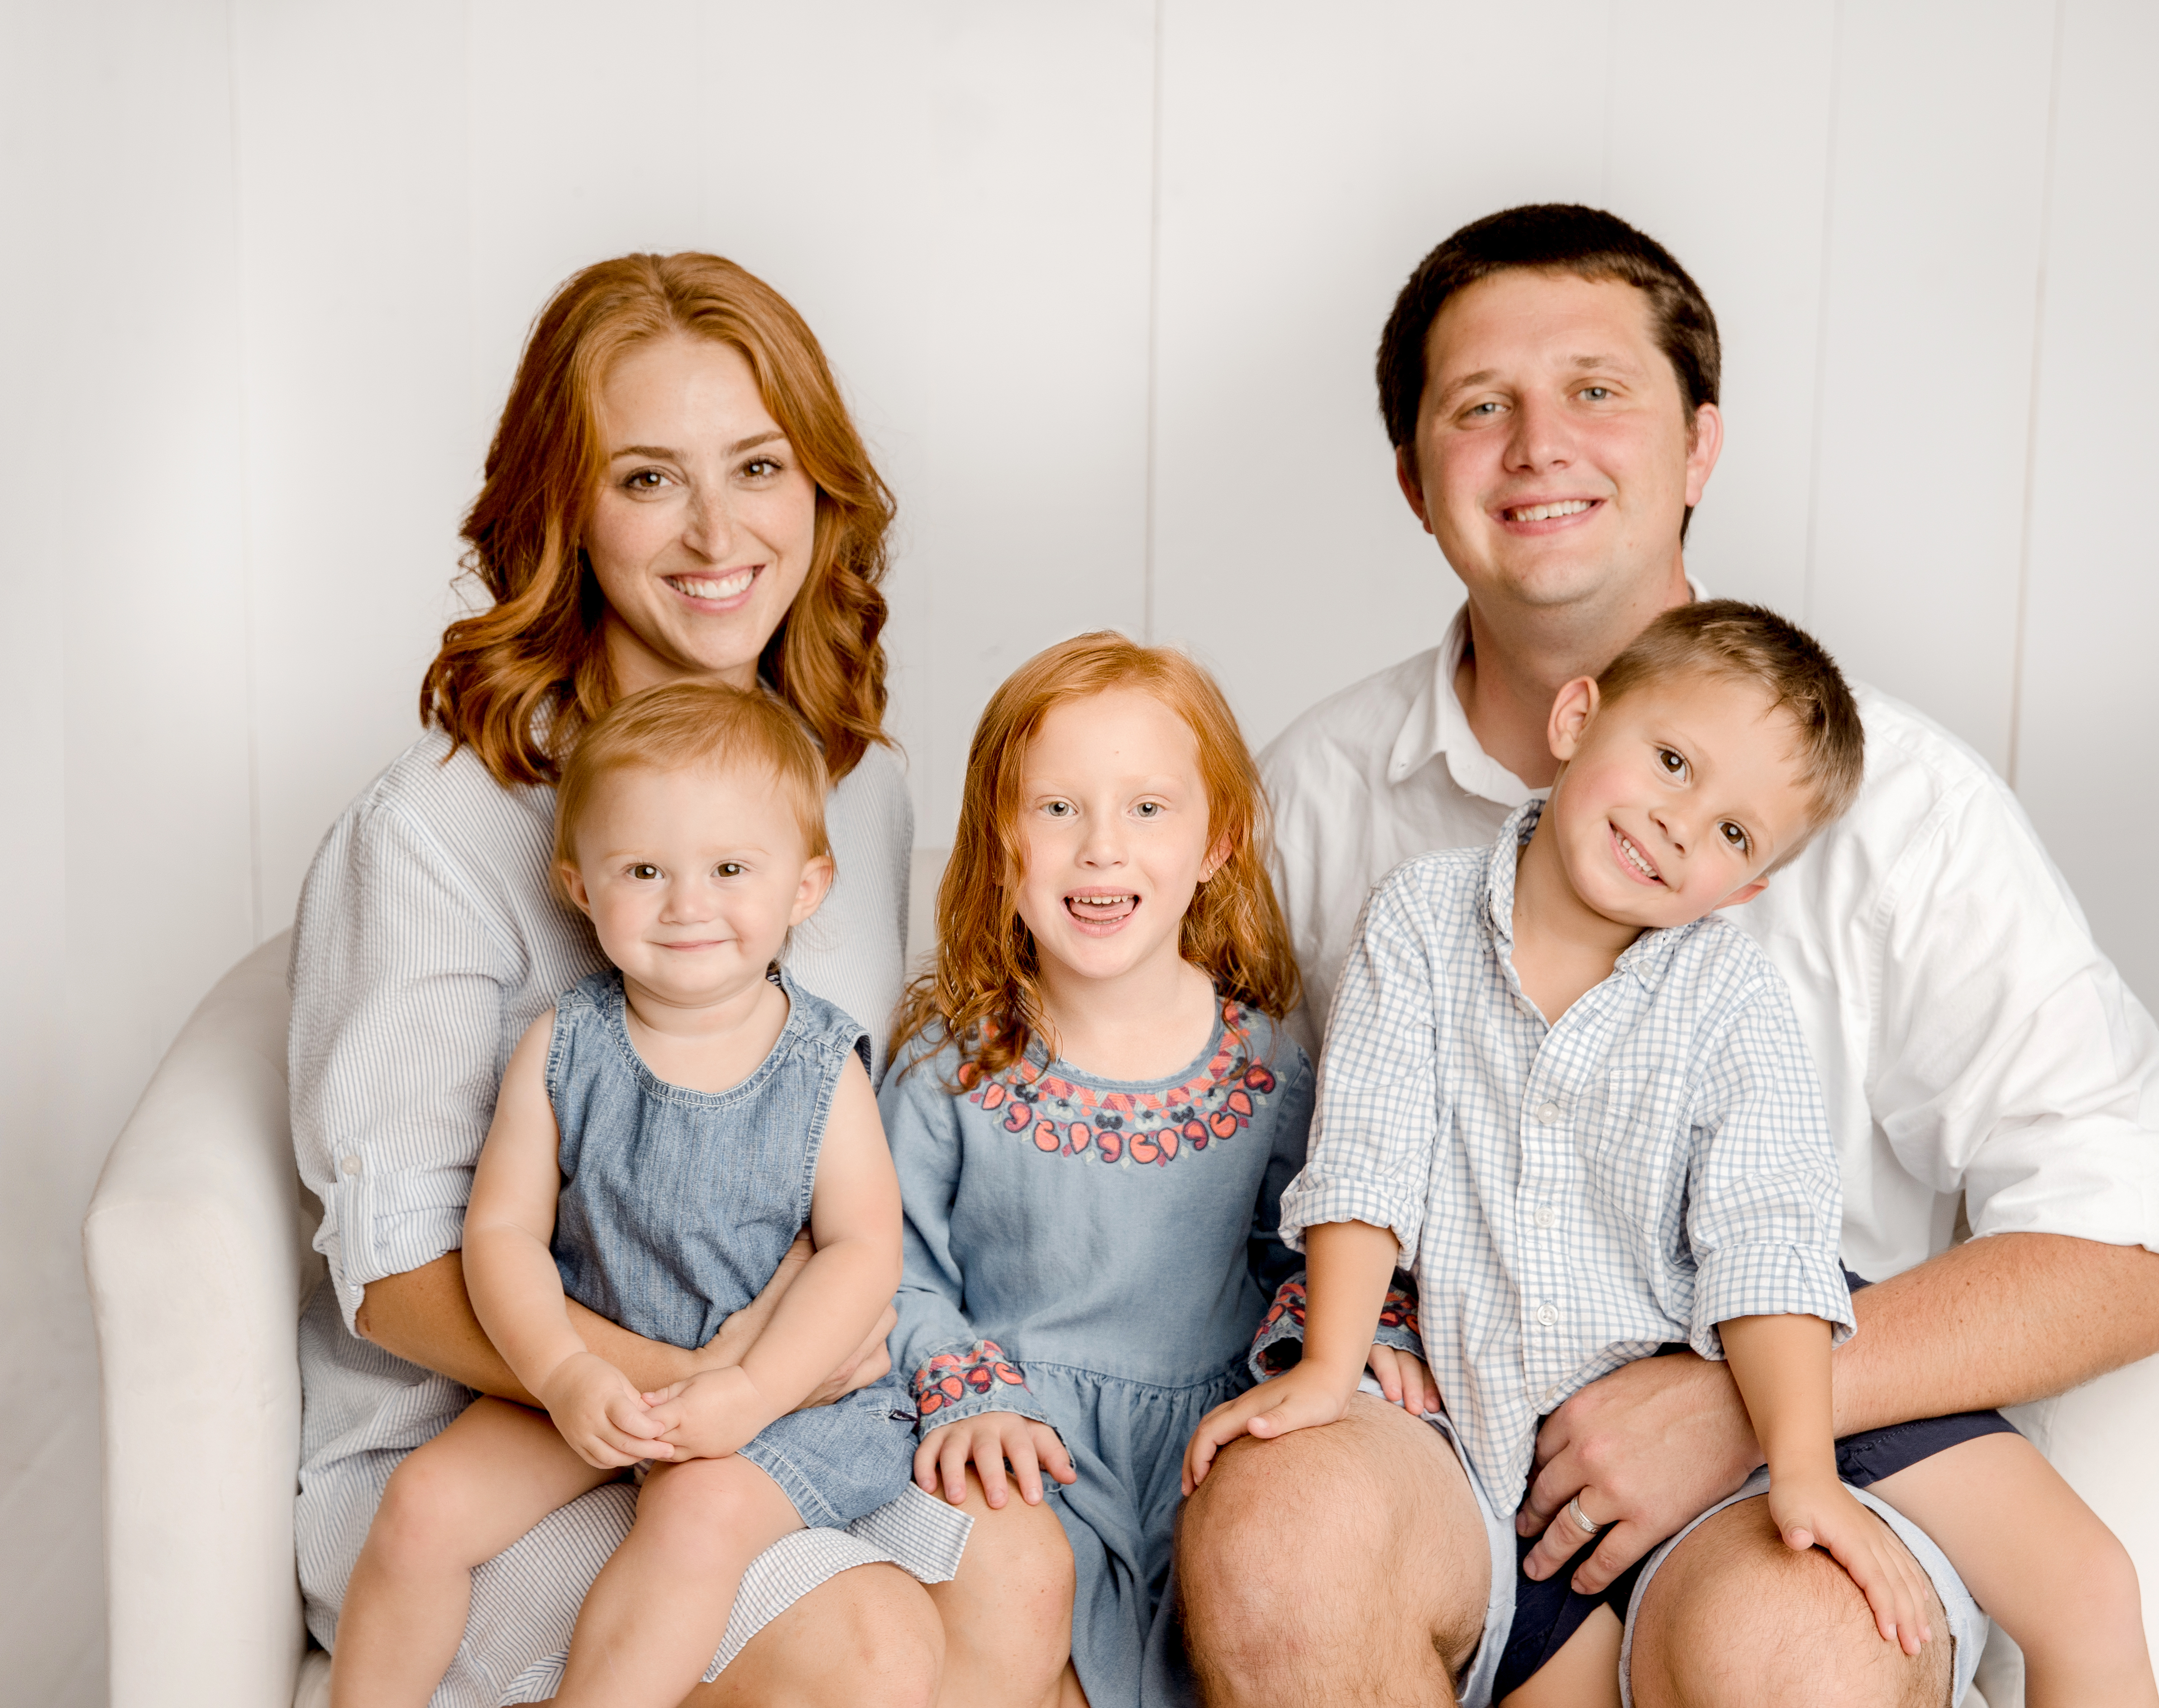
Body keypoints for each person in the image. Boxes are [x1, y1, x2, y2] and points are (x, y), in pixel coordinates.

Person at [1172, 205, 2159, 1708]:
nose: (1538, 444)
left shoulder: (1901, 813)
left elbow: (2128, 1256)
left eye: (1596, 390)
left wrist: (1748, 1402)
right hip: (1441, 1442)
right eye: (1479, 407)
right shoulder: (1320, 807)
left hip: (1784, 1478)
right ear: (1414, 483)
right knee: (1281, 1531)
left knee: (1794, 1640)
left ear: (1698, 446)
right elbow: (1209, 1170)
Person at [289, 252, 1067, 1708]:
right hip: (496, 1423)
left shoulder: (851, 786)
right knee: (870, 1646)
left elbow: (847, 1169)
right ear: (563, 514)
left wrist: (788, 1375)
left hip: (778, 1396)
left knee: (1024, 1563)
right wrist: (685, 1389)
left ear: (819, 490)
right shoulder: (439, 831)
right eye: (646, 479)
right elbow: (394, 1283)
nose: (718, 530)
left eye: (758, 465)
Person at [1187, 602, 2159, 1707]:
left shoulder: (1729, 997)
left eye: (1735, 835)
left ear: (1744, 890)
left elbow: (1765, 1243)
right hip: (1512, 1427)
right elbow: (1366, 1162)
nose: (1680, 827)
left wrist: (1797, 1471)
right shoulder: (1417, 918)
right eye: (1669, 761)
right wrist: (1329, 1363)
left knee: (2083, 1583)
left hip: (1752, 1347)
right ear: (1575, 718)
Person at [327, 684, 921, 1707]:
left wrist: (751, 1392)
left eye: (731, 870)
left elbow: (864, 1249)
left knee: (691, 1525)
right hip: (592, 1367)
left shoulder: (822, 1064)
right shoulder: (564, 1046)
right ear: (579, 886)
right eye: (644, 871)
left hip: (774, 1392)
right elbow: (503, 1234)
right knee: (423, 1505)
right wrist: (561, 1372)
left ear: (806, 885)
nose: (687, 905)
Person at [881, 634, 1379, 1708]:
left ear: (1218, 841)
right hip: (1019, 1439)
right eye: (1056, 809)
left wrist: (1331, 1350)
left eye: (1147, 809)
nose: (1100, 849)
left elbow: (1301, 1255)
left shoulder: (1266, 1067)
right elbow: (889, 1266)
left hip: (1207, 1446)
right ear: (1001, 841)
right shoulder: (948, 1065)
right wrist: (971, 1398)